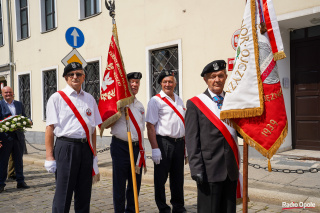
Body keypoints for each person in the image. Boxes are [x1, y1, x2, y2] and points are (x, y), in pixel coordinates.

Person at [44, 62, 102, 213]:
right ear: (66, 78)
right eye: (71, 74)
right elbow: (50, 128)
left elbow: (93, 128)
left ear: (84, 77)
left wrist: (94, 153)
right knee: (64, 192)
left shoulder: (89, 98)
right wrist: (49, 156)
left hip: (85, 148)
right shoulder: (56, 98)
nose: (75, 77)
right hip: (66, 147)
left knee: (84, 192)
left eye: (78, 74)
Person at [185, 60, 240, 213]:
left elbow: (240, 130)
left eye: (220, 76)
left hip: (231, 168)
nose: (217, 80)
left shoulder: (232, 101)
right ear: (206, 79)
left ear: (225, 77)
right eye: (212, 76)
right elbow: (191, 139)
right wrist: (196, 169)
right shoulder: (195, 104)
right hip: (208, 170)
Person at [146, 70, 186, 213]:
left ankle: (178, 206)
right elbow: (150, 126)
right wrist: (155, 148)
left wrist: (185, 148)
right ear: (161, 84)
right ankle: (163, 207)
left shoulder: (179, 99)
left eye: (170, 81)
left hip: (179, 143)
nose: (168, 84)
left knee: (178, 178)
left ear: (175, 83)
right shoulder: (155, 101)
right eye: (165, 82)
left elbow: (182, 123)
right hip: (164, 143)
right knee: (161, 178)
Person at [110, 72, 146, 213]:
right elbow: (106, 125)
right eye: (132, 82)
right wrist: (118, 110)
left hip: (137, 148)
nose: (135, 85)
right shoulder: (118, 103)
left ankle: (131, 210)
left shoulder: (140, 105)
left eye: (137, 82)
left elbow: (141, 128)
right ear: (126, 84)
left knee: (135, 184)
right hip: (120, 147)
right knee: (119, 184)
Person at [0, 86, 30, 193]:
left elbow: (25, 116)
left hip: (18, 137)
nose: (8, 94)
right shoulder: (0, 105)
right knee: (3, 162)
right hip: (4, 138)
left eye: (10, 92)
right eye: (6, 92)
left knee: (18, 160)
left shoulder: (19, 104)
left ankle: (20, 181)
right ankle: (1, 184)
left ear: (13, 93)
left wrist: (29, 121)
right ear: (2, 94)